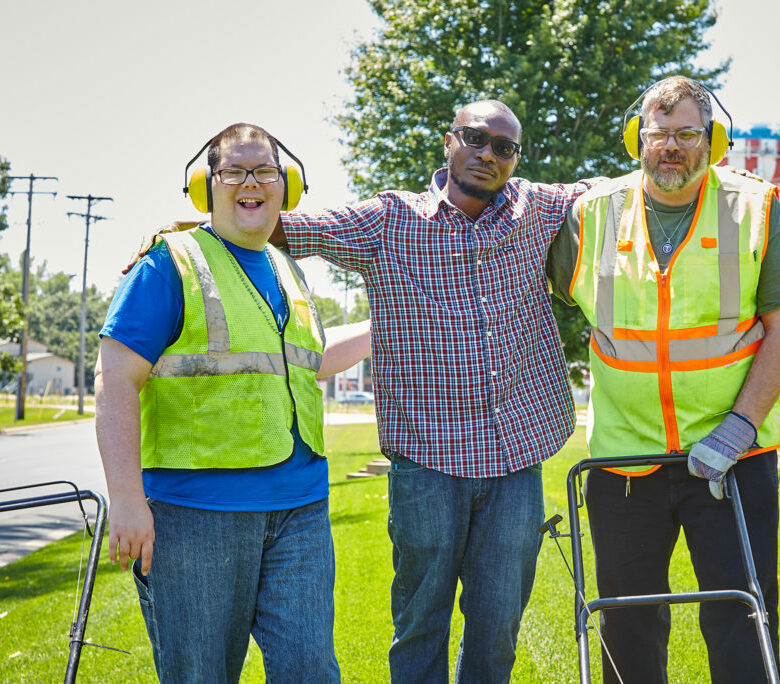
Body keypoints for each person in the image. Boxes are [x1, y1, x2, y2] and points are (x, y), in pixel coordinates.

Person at [271, 100, 596, 683]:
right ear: (449, 142)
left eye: (504, 147)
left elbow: (615, 189)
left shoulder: (534, 207)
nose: (488, 154)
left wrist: (717, 175)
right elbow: (288, 229)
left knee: (498, 625)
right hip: (427, 461)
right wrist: (194, 230)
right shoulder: (388, 221)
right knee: (421, 622)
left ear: (514, 159)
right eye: (476, 138)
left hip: (515, 458)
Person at [546, 76, 780, 683]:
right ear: (636, 140)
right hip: (623, 462)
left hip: (733, 457)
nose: (671, 146)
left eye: (688, 134)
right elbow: (523, 294)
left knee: (741, 620)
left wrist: (741, 427)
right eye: (659, 134)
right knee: (627, 622)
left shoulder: (754, 207)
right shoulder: (591, 214)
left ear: (713, 140)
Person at [95, 123, 369, 683]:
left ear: (285, 184)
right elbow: (115, 377)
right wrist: (125, 498)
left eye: (265, 170)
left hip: (300, 512)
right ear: (207, 186)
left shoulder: (288, 271)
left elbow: (307, 361)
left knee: (311, 672)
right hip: (197, 516)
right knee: (201, 675)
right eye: (234, 171)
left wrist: (391, 323)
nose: (251, 182)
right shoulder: (170, 263)